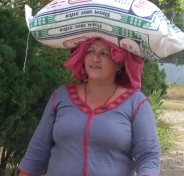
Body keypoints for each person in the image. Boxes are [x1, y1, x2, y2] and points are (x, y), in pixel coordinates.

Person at [17, 37, 161, 176]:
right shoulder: (62, 96)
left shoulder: (136, 103)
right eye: (90, 51)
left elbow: (148, 156)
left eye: (104, 53)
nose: (95, 58)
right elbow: (37, 151)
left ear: (119, 62)